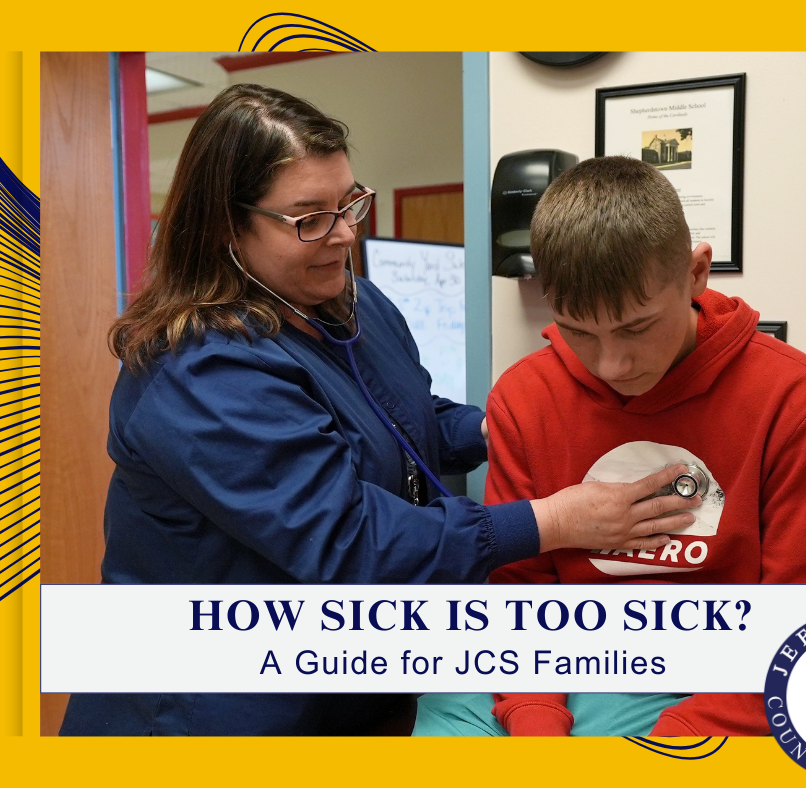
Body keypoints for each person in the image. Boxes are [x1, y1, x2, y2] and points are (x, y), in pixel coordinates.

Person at [58, 87, 703, 736]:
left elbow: (407, 421)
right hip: (209, 717)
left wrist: (513, 421)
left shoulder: (354, 306)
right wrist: (550, 521)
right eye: (309, 217)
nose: (343, 233)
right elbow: (349, 541)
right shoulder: (198, 370)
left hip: (357, 691)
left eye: (349, 203)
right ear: (226, 225)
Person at [413, 156, 806, 737]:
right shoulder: (524, 396)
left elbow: (802, 623)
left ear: (697, 273)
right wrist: (537, 725)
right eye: (578, 331)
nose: (611, 364)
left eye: (636, 328)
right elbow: (519, 593)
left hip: (718, 681)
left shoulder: (798, 399)